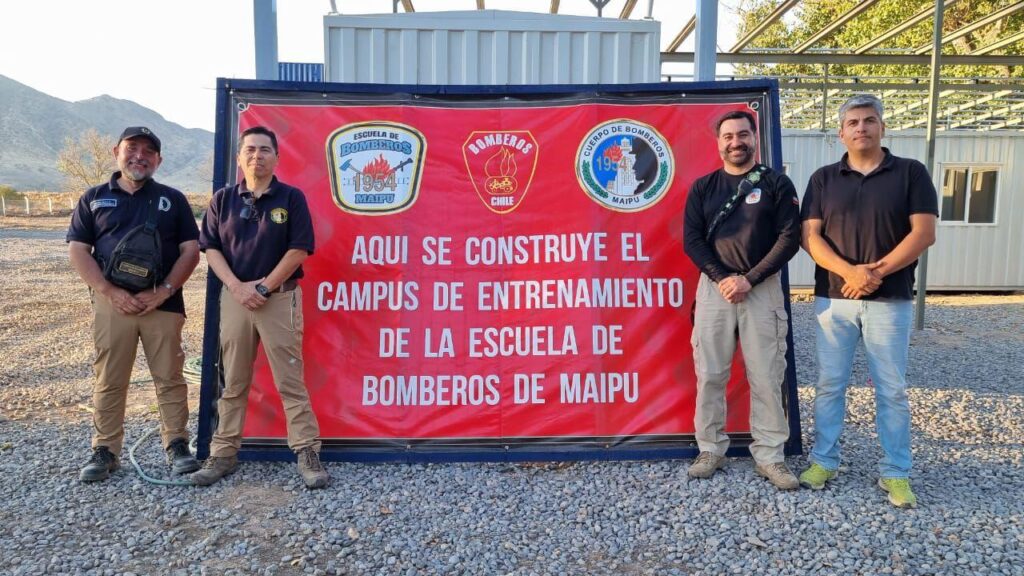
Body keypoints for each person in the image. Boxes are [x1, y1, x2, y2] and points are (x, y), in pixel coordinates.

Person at [798, 94, 937, 508]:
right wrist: (850, 272)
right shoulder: (824, 179)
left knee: (891, 389)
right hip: (833, 301)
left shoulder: (911, 173)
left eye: (869, 120)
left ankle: (896, 472)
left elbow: (923, 233)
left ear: (882, 127)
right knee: (829, 385)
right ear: (841, 132)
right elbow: (810, 237)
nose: (861, 128)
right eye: (853, 122)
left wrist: (874, 274)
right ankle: (825, 461)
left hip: (890, 298)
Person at [191, 126, 328, 489]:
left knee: (290, 381)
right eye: (250, 149)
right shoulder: (223, 199)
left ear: (277, 157)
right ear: (239, 158)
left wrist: (264, 287)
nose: (257, 156)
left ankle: (306, 452)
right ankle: (223, 453)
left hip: (279, 298)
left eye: (265, 149)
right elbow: (212, 249)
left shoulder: (291, 198)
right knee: (233, 381)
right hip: (235, 299)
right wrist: (237, 287)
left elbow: (299, 248)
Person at [67, 126, 201, 482]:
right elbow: (78, 250)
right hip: (113, 305)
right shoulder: (94, 198)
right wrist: (110, 292)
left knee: (170, 378)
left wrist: (165, 290)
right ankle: (105, 450)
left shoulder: (173, 199)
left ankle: (177, 445)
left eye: (148, 151)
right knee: (110, 378)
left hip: (164, 303)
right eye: (132, 148)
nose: (139, 155)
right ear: (116, 151)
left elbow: (191, 250)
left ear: (158, 160)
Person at [682, 110, 802, 490]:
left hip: (761, 288)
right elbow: (692, 240)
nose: (737, 142)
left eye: (744, 135)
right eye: (729, 136)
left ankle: (770, 455)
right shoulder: (703, 187)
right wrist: (723, 278)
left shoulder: (777, 184)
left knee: (767, 376)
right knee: (710, 374)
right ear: (718, 143)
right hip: (715, 289)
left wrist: (749, 279)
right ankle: (710, 449)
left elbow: (789, 238)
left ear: (755, 138)